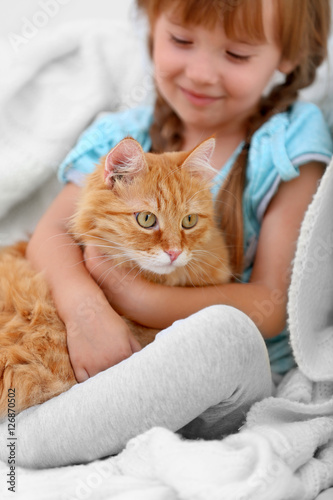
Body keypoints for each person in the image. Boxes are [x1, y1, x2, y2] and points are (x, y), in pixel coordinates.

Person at [3, 0, 333, 468]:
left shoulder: (288, 140)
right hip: (103, 351)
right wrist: (86, 312)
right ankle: (62, 423)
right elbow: (47, 237)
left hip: (216, 383)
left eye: (236, 54)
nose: (201, 73)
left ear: (287, 57)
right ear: (151, 29)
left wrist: (127, 293)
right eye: (181, 40)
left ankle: (25, 441)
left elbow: (270, 307)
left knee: (225, 335)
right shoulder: (121, 135)